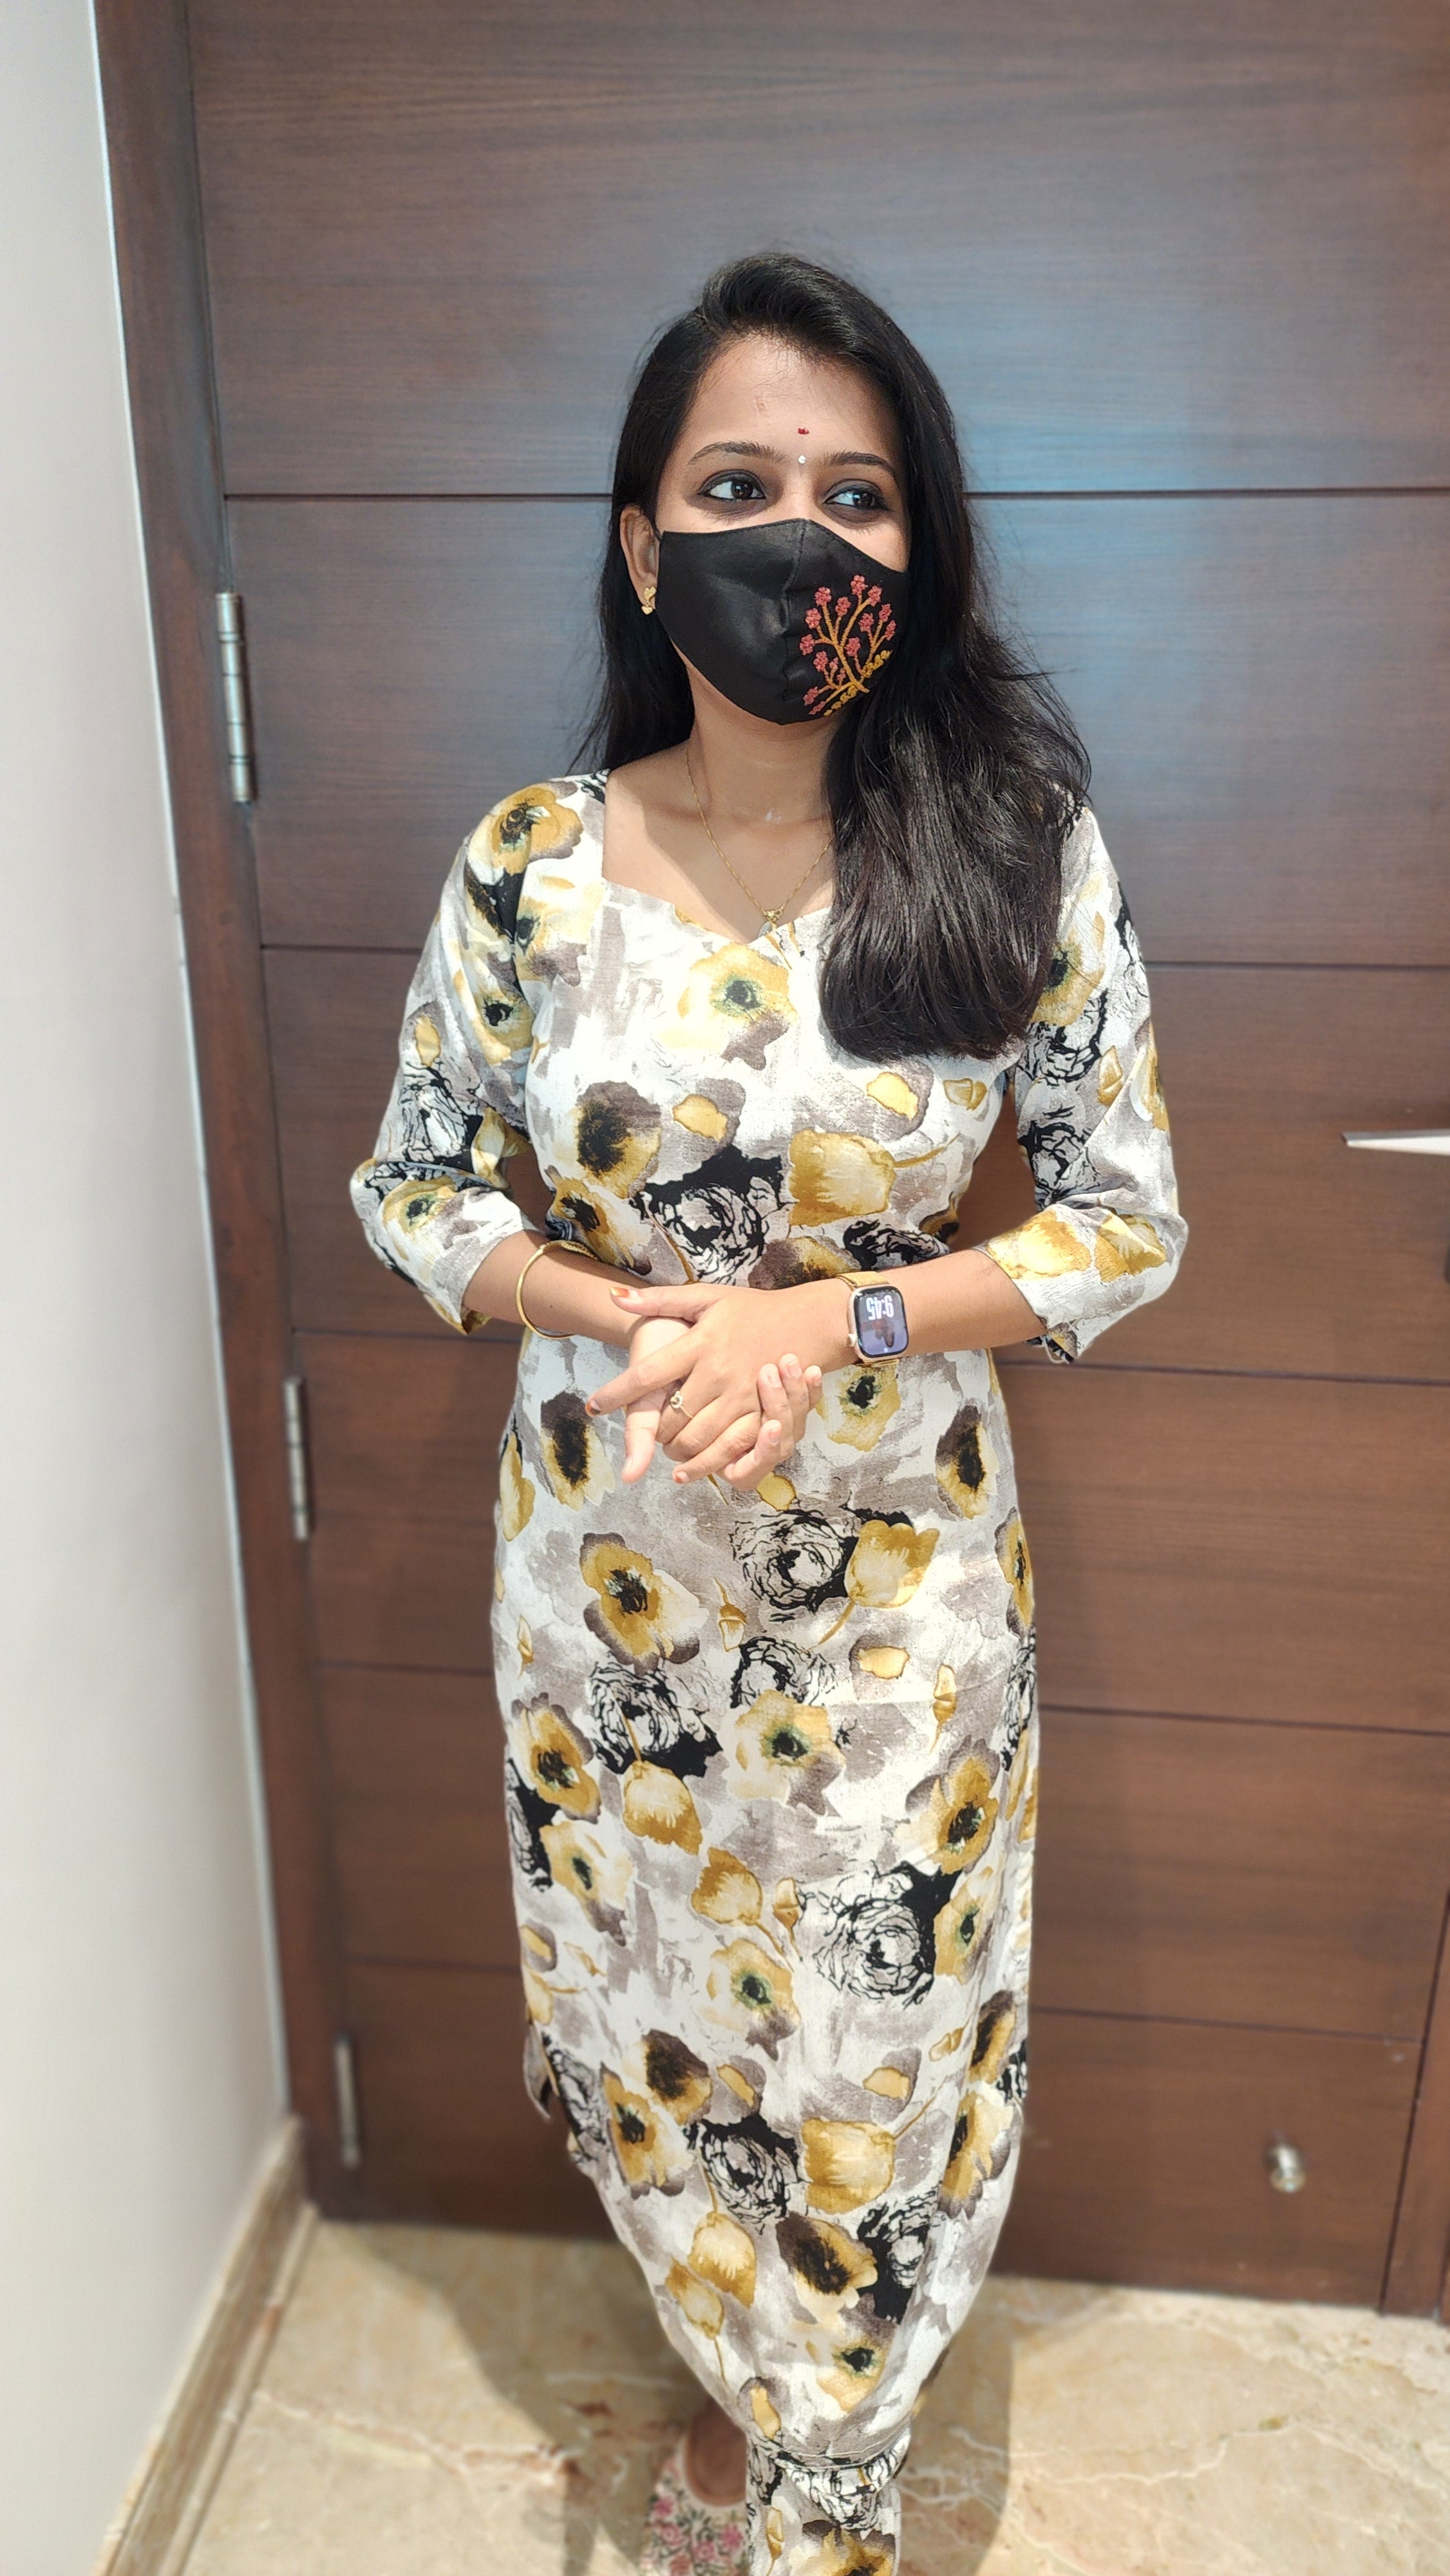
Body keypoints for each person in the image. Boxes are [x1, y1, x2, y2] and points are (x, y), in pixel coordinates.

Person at [352, 251, 1185, 2576]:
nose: (797, 535)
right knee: (659, 2018)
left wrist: (826, 1327)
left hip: (895, 1606)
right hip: (606, 1592)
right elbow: (411, 1190)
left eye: (855, 493)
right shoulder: (527, 870)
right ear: (643, 545)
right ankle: (738, 2397)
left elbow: (1123, 1228)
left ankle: (833, 2465)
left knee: (867, 2059)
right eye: (735, 487)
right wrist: (605, 1305)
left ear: (914, 552)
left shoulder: (1012, 851)